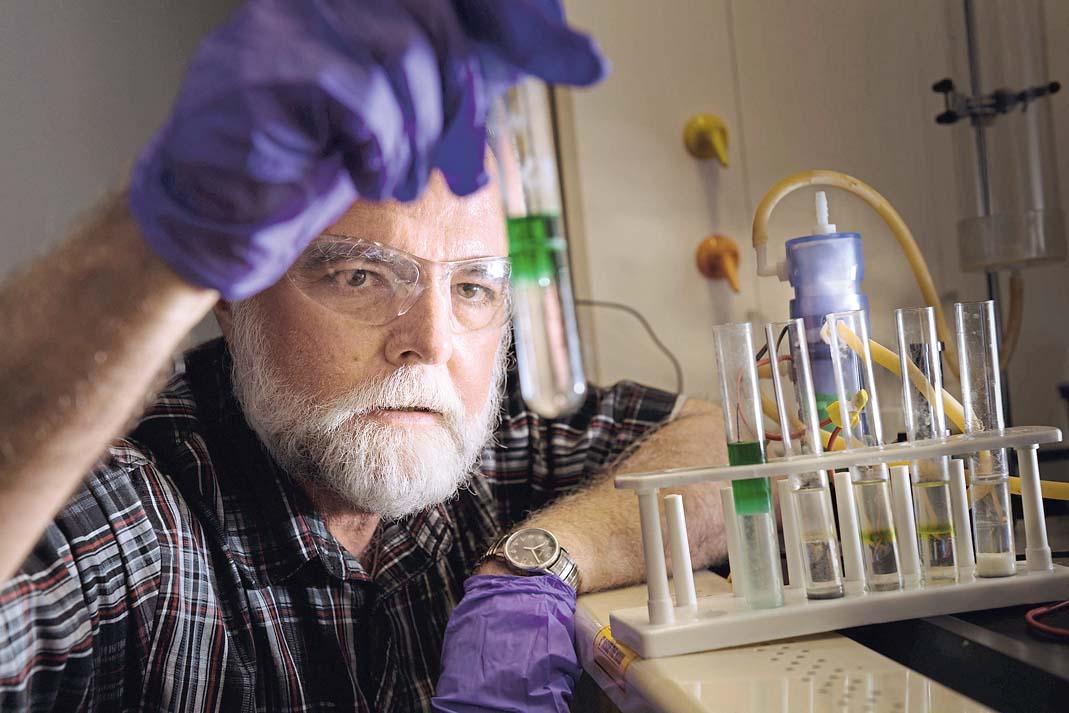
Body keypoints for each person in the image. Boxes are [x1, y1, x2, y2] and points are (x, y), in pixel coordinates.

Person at [0, 1, 727, 711]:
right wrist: (158, 247)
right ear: (233, 297)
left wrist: (539, 560)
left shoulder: (494, 444)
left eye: (472, 287)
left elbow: (733, 447)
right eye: (360, 277)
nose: (431, 343)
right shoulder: (146, 521)